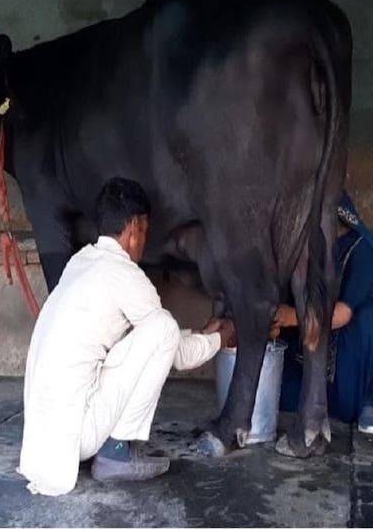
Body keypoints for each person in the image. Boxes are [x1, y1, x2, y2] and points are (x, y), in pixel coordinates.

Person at [18, 177, 236, 496]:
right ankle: (116, 453)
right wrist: (223, 336)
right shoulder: (125, 275)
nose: (144, 240)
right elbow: (174, 351)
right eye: (145, 231)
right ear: (134, 228)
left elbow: (142, 342)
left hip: (43, 441)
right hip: (76, 436)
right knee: (162, 326)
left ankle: (105, 448)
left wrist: (202, 333)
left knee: (152, 332)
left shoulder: (80, 262)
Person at [271, 192, 373, 434]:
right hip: (318, 347)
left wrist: (293, 316)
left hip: (354, 353)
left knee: (368, 319)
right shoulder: (312, 249)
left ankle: (369, 403)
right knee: (280, 394)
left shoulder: (363, 249)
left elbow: (343, 313)